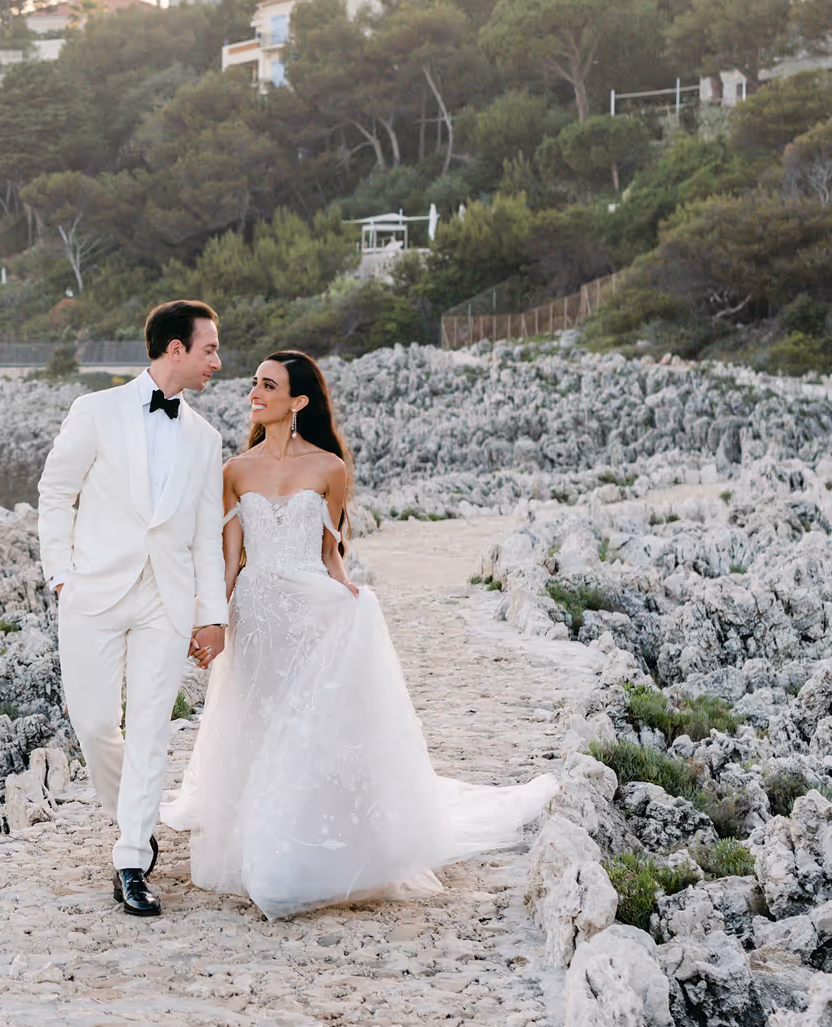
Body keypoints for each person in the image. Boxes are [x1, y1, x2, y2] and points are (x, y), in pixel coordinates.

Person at [163, 350, 557, 919]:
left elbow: (331, 558)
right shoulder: (234, 471)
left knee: (307, 734)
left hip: (315, 617)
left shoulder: (329, 469)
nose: (255, 391)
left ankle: (299, 857)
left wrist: (353, 602)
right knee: (258, 728)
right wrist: (215, 623)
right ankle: (257, 842)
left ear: (297, 402)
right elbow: (230, 563)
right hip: (257, 617)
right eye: (255, 382)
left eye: (268, 385)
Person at [36, 300, 228, 917]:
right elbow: (55, 492)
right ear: (175, 348)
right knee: (94, 724)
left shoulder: (205, 437)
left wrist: (212, 612)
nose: (218, 363)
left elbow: (204, 533)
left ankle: (130, 860)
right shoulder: (95, 411)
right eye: (209, 350)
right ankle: (135, 822)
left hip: (165, 600)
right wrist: (61, 574)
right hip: (92, 591)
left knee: (150, 729)